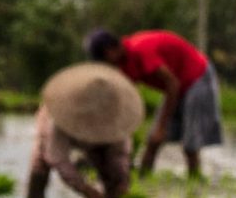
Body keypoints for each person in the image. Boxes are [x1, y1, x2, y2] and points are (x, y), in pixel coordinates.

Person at [87, 27, 224, 178]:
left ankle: (195, 180)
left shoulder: (140, 50)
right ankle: (143, 178)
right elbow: (126, 99)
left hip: (197, 78)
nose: (107, 63)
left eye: (104, 58)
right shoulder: (124, 64)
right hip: (176, 85)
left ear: (110, 50)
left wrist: (161, 127)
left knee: (190, 143)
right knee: (152, 141)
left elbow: (173, 84)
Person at [26, 61, 143, 198]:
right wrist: (85, 189)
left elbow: (119, 154)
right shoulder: (57, 116)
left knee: (113, 172)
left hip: (101, 142)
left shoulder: (117, 116)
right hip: (58, 136)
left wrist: (122, 181)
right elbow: (57, 158)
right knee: (39, 167)